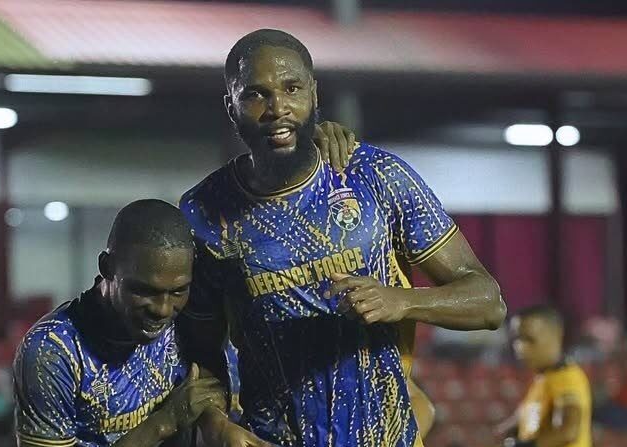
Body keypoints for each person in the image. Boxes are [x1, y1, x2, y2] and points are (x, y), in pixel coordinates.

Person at [180, 28, 506, 447]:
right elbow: (199, 352)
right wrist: (214, 423)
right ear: (231, 107)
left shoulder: (376, 177)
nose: (277, 107)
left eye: (291, 88)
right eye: (255, 95)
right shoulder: (203, 213)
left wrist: (403, 301)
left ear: (314, 94)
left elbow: (488, 302)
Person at [14, 200, 238, 447]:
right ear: (107, 267)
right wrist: (164, 422)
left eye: (177, 291)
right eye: (143, 291)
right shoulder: (53, 351)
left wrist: (219, 425)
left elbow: (205, 384)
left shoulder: (188, 317)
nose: (162, 309)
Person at [497, 306, 592, 447]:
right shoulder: (542, 379)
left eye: (529, 339)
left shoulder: (566, 378)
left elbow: (568, 431)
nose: (520, 347)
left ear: (557, 335)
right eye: (517, 339)